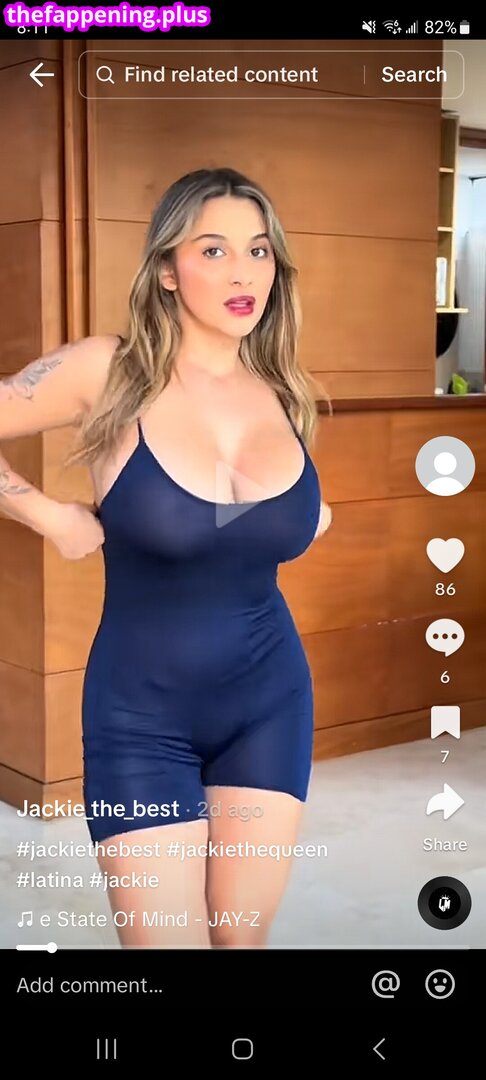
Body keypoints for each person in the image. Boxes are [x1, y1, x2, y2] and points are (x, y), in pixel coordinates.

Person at [0, 166, 333, 949]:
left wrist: (302, 517)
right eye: (213, 250)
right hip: (139, 715)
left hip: (270, 702)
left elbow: (291, 518)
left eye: (258, 250)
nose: (243, 272)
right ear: (166, 271)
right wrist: (47, 514)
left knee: (239, 942)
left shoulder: (282, 389)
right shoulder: (108, 370)